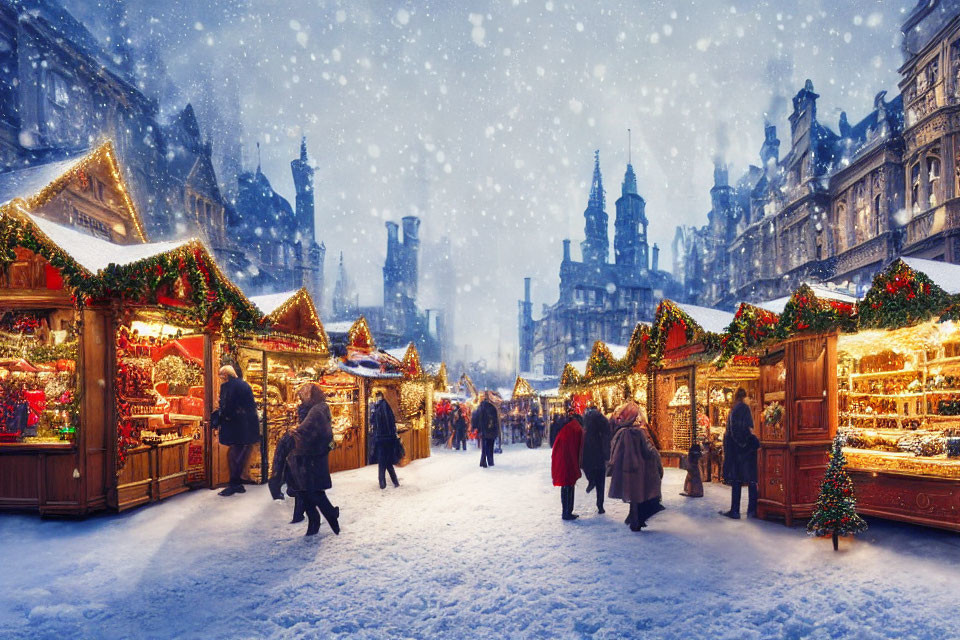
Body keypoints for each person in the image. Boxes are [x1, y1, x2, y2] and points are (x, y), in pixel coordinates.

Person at [285, 383, 341, 537]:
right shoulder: (314, 408)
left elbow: (308, 429)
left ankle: (328, 517)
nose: (301, 397)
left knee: (311, 491)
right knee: (307, 491)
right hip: (308, 456)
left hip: (311, 457)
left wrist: (295, 431)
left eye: (304, 395)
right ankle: (319, 520)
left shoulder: (317, 410)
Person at [607, 402, 664, 532]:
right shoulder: (638, 433)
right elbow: (649, 450)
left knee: (633, 496)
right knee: (639, 495)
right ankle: (636, 521)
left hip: (626, 470)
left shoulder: (620, 433)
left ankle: (633, 519)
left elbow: (614, 452)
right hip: (640, 470)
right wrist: (656, 459)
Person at [216, 365, 260, 496]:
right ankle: (238, 483)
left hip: (233, 424)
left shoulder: (226, 387)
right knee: (240, 451)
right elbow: (252, 405)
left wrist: (221, 416)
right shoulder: (245, 385)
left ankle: (233, 483)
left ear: (225, 375)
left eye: (221, 376)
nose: (221, 378)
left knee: (233, 453)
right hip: (247, 424)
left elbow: (226, 406)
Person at [721, 387, 760, 519]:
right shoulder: (745, 408)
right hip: (746, 450)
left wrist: (739, 445)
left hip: (737, 451)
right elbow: (749, 427)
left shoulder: (736, 409)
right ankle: (752, 510)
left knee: (737, 480)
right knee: (751, 480)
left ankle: (735, 510)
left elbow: (734, 430)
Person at [551, 411, 584, 520]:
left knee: (566, 484)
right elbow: (579, 447)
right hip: (568, 459)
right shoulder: (576, 429)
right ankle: (567, 512)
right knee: (568, 484)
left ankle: (566, 511)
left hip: (561, 458)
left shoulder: (568, 427)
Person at [580, 407, 611, 514]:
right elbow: (607, 438)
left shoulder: (586, 425)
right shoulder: (603, 424)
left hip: (589, 454)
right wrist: (607, 456)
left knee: (588, 469)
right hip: (600, 456)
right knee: (601, 482)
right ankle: (600, 505)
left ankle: (591, 480)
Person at [371, 391, 400, 489]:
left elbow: (374, 422)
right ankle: (394, 482)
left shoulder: (378, 407)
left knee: (382, 462)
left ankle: (382, 484)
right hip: (388, 439)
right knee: (387, 462)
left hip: (382, 439)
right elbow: (391, 423)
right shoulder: (387, 407)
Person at [475, 391, 501, 468]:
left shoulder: (480, 408)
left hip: (483, 430)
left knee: (484, 446)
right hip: (491, 430)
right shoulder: (492, 407)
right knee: (490, 446)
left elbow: (477, 419)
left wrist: (479, 428)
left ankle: (483, 461)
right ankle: (490, 461)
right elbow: (495, 420)